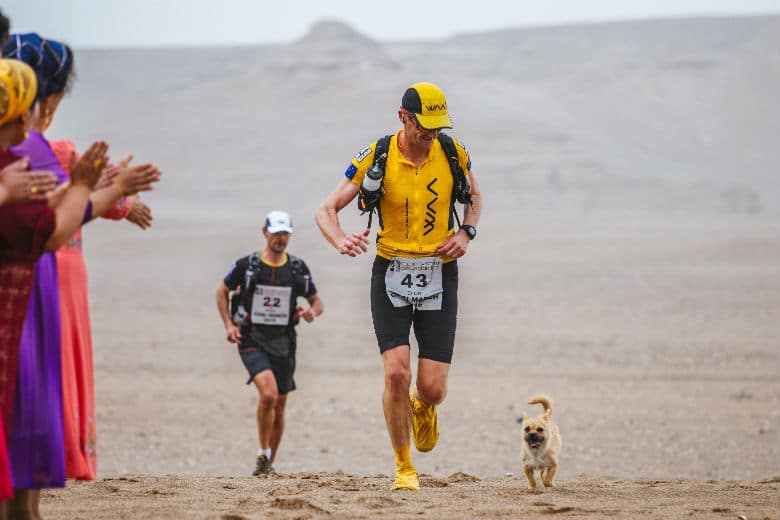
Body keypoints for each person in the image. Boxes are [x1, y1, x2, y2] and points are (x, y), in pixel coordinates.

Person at [2, 34, 160, 518]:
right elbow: (56, 222)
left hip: (39, 276)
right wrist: (113, 195)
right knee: (27, 389)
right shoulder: (40, 153)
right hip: (32, 282)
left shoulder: (38, 154)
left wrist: (109, 193)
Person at [315, 82, 482, 491]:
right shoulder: (379, 154)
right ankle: (404, 467)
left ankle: (424, 406)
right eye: (424, 127)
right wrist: (341, 240)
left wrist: (466, 233)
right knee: (395, 375)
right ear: (403, 117)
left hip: (439, 271)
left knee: (432, 389)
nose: (431, 136)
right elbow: (326, 209)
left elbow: (475, 196)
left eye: (437, 128)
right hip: (390, 270)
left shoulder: (453, 153)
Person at [0, 57, 105, 514]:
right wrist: (86, 188)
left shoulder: (20, 165)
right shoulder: (27, 161)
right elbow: (50, 232)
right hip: (20, 299)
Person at [216, 210, 323, 476]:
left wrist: (312, 312)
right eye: (275, 232)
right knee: (268, 394)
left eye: (285, 233)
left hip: (285, 341)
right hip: (252, 337)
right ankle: (263, 452)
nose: (280, 238)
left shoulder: (297, 269)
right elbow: (221, 291)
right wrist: (229, 325)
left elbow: (316, 301)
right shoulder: (247, 266)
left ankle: (268, 464)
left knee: (280, 404)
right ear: (265, 232)